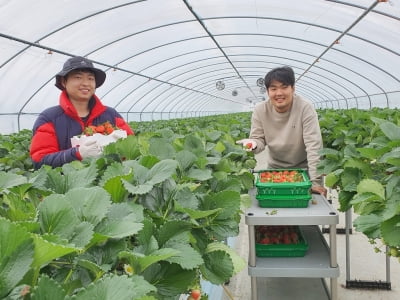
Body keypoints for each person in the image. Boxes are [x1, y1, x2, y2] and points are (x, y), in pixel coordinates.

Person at [237, 66, 327, 196]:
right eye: (273, 89)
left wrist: (315, 182)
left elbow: (314, 146)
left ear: (293, 88)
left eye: (284, 87)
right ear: (268, 91)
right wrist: (253, 144)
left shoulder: (304, 107)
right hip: (275, 171)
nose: (279, 93)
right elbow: (258, 139)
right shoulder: (260, 110)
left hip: (305, 172)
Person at [30, 56, 134, 169]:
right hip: (70, 183)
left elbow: (132, 147)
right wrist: (77, 153)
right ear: (64, 82)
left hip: (110, 180)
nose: (85, 83)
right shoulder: (50, 118)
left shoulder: (111, 115)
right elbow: (39, 161)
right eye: (78, 77)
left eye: (90, 79)